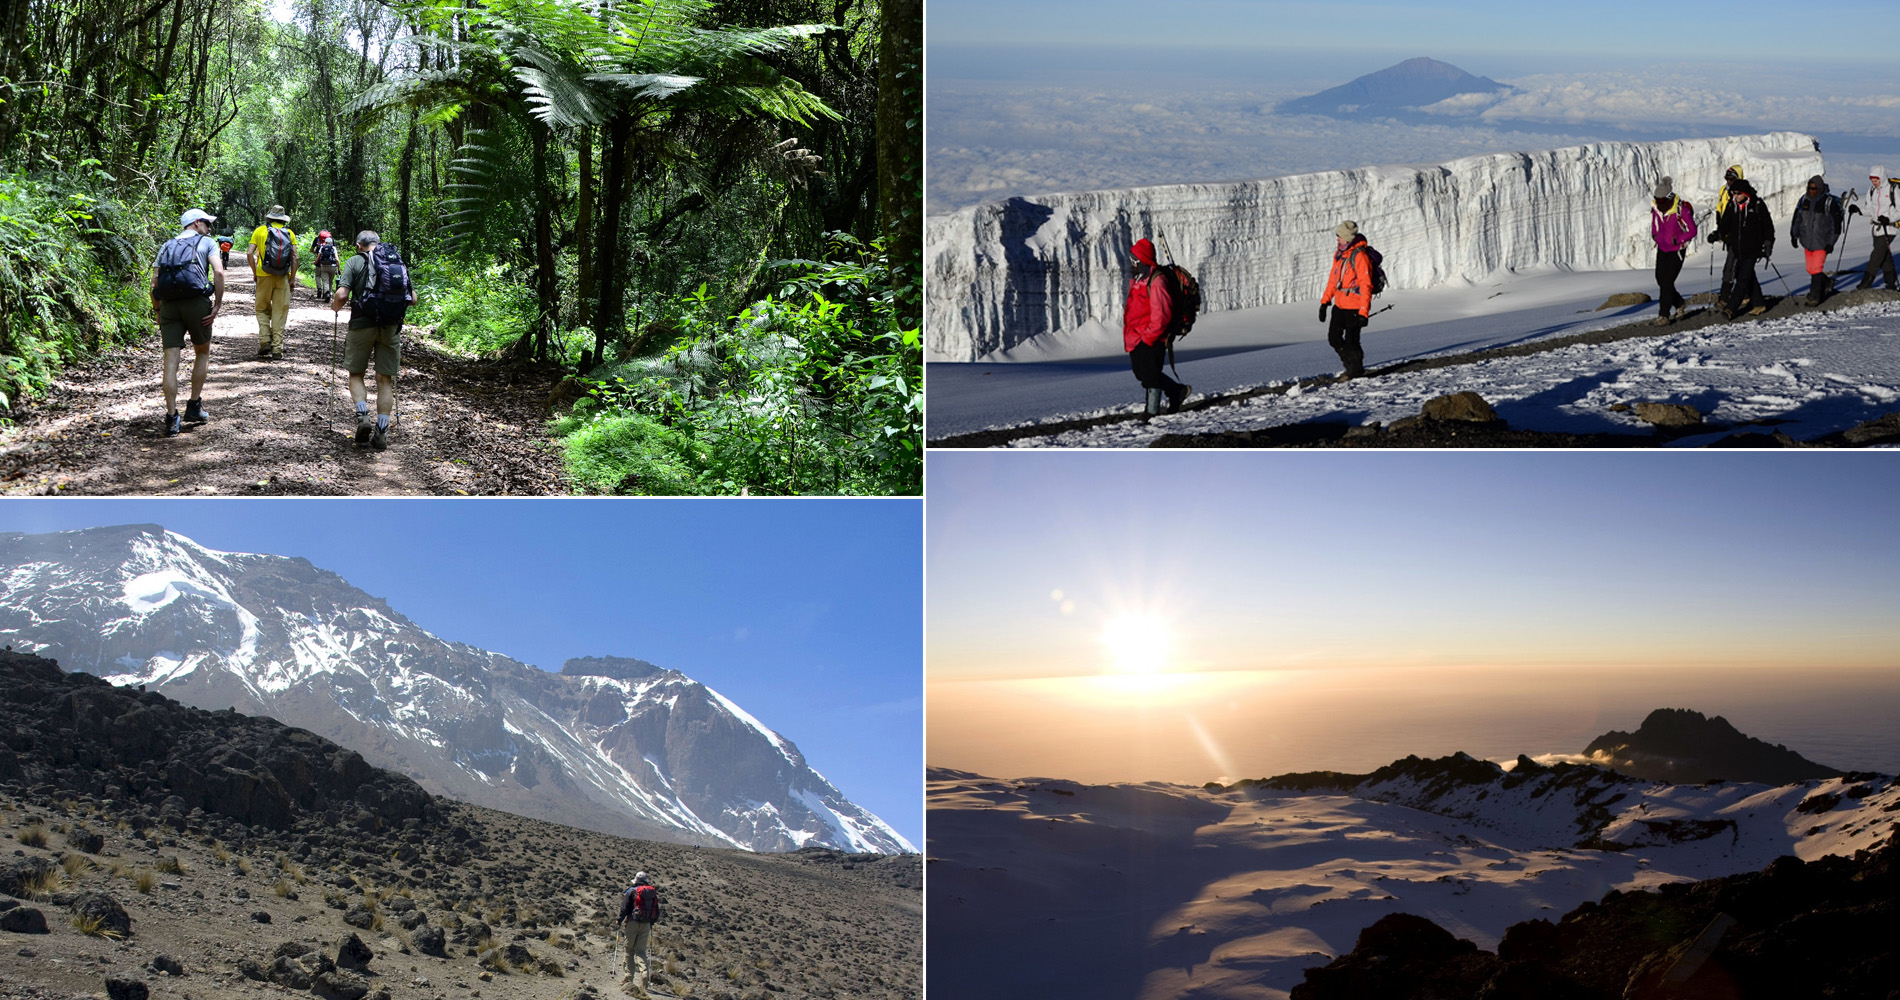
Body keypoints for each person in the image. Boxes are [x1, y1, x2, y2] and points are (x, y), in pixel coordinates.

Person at [329, 230, 415, 450]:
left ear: (359, 245)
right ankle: (382, 431)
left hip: (361, 324)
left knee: (356, 374)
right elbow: (412, 299)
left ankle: (363, 417)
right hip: (390, 328)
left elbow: (341, 295)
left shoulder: (355, 262)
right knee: (385, 379)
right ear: (378, 244)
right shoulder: (395, 263)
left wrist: (334, 307)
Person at [149, 208, 225, 436]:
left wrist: (158, 311)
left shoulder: (166, 245)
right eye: (206, 223)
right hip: (197, 304)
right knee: (202, 352)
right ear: (195, 223)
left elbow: (154, 282)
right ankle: (194, 405)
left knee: (170, 360)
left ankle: (172, 418)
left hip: (169, 305)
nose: (209, 228)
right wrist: (218, 304)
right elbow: (219, 273)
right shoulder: (207, 242)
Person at [1122, 237, 1190, 415]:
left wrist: (1148, 337)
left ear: (1143, 260)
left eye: (1134, 260)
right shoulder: (1139, 279)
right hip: (1136, 337)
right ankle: (1176, 391)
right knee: (1142, 373)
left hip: (1152, 337)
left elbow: (1162, 315)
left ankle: (1151, 414)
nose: (1132, 264)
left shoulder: (1157, 281)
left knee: (1151, 376)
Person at [1710, 180, 1775, 318]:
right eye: (1733, 193)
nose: (1735, 195)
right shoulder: (1732, 205)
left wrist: (1768, 243)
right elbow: (1725, 224)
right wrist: (1718, 234)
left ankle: (1731, 308)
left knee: (1742, 278)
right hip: (1738, 248)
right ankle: (1759, 304)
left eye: (1738, 193)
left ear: (1745, 193)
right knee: (1748, 275)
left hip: (1753, 248)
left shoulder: (1757, 205)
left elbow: (1767, 225)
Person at [1319, 220, 1374, 378]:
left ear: (1348, 238)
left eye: (1340, 236)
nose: (1337, 239)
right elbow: (1333, 281)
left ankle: (1355, 371)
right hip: (1340, 305)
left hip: (1355, 306)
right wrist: (1325, 302)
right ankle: (1350, 364)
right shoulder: (1339, 254)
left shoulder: (1360, 256)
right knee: (1334, 338)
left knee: (1352, 341)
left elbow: (1366, 286)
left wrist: (1364, 312)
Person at [246, 205, 299, 359]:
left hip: (263, 275)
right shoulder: (289, 233)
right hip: (282, 276)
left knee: (261, 309)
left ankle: (264, 341)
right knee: (279, 312)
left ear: (269, 217)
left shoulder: (260, 231)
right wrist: (292, 278)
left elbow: (249, 253)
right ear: (283, 219)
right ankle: (277, 349)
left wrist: (255, 272)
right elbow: (295, 257)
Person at [1788, 174, 1844, 304]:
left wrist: (1831, 243)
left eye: (1814, 188)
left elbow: (1836, 225)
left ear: (1820, 188)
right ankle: (1827, 282)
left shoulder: (1828, 202)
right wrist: (1794, 235)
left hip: (1822, 242)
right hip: (1807, 241)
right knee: (1810, 269)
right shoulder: (1804, 200)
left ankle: (1815, 297)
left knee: (1816, 269)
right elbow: (1797, 219)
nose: (1811, 191)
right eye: (1809, 188)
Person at [1648, 177, 1697, 325]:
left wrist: (1678, 240)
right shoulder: (1657, 209)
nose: (1658, 203)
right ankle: (1680, 303)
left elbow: (1692, 230)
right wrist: (1655, 235)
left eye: (1662, 200)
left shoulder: (1681, 210)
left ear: (1669, 198)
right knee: (1660, 279)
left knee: (1667, 281)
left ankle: (1664, 315)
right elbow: (1655, 225)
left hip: (1677, 250)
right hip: (1662, 248)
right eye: (1657, 199)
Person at [615, 872, 662, 998]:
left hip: (632, 923)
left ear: (636, 880)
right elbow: (656, 911)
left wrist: (619, 919)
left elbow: (624, 907)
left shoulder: (631, 891)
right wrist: (651, 922)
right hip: (646, 924)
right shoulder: (651, 893)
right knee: (641, 951)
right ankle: (644, 974)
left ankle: (628, 978)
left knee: (629, 949)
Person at [1858, 167, 1899, 291]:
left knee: (1876, 256)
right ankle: (1891, 284)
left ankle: (1866, 283)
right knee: (1884, 257)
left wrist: (1889, 218)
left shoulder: (1893, 190)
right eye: (1872, 180)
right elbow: (1870, 209)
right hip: (1876, 229)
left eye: (1876, 180)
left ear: (1882, 178)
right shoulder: (1871, 190)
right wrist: (1859, 210)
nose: (1874, 182)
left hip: (1889, 228)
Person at [1713, 165, 1745, 299]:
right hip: (1726, 232)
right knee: (1739, 267)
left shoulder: (1742, 193)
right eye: (1727, 178)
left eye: (1732, 178)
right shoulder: (1723, 190)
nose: (1729, 181)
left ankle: (1725, 295)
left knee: (1731, 265)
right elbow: (1720, 208)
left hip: (1738, 234)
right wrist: (1720, 226)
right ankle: (1748, 294)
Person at [311, 230, 341, 302]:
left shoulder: (322, 247)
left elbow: (318, 257)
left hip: (323, 266)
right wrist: (338, 268)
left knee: (325, 280)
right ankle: (328, 293)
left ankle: (325, 291)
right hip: (333, 266)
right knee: (330, 281)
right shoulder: (333, 248)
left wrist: (315, 262)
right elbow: (337, 259)